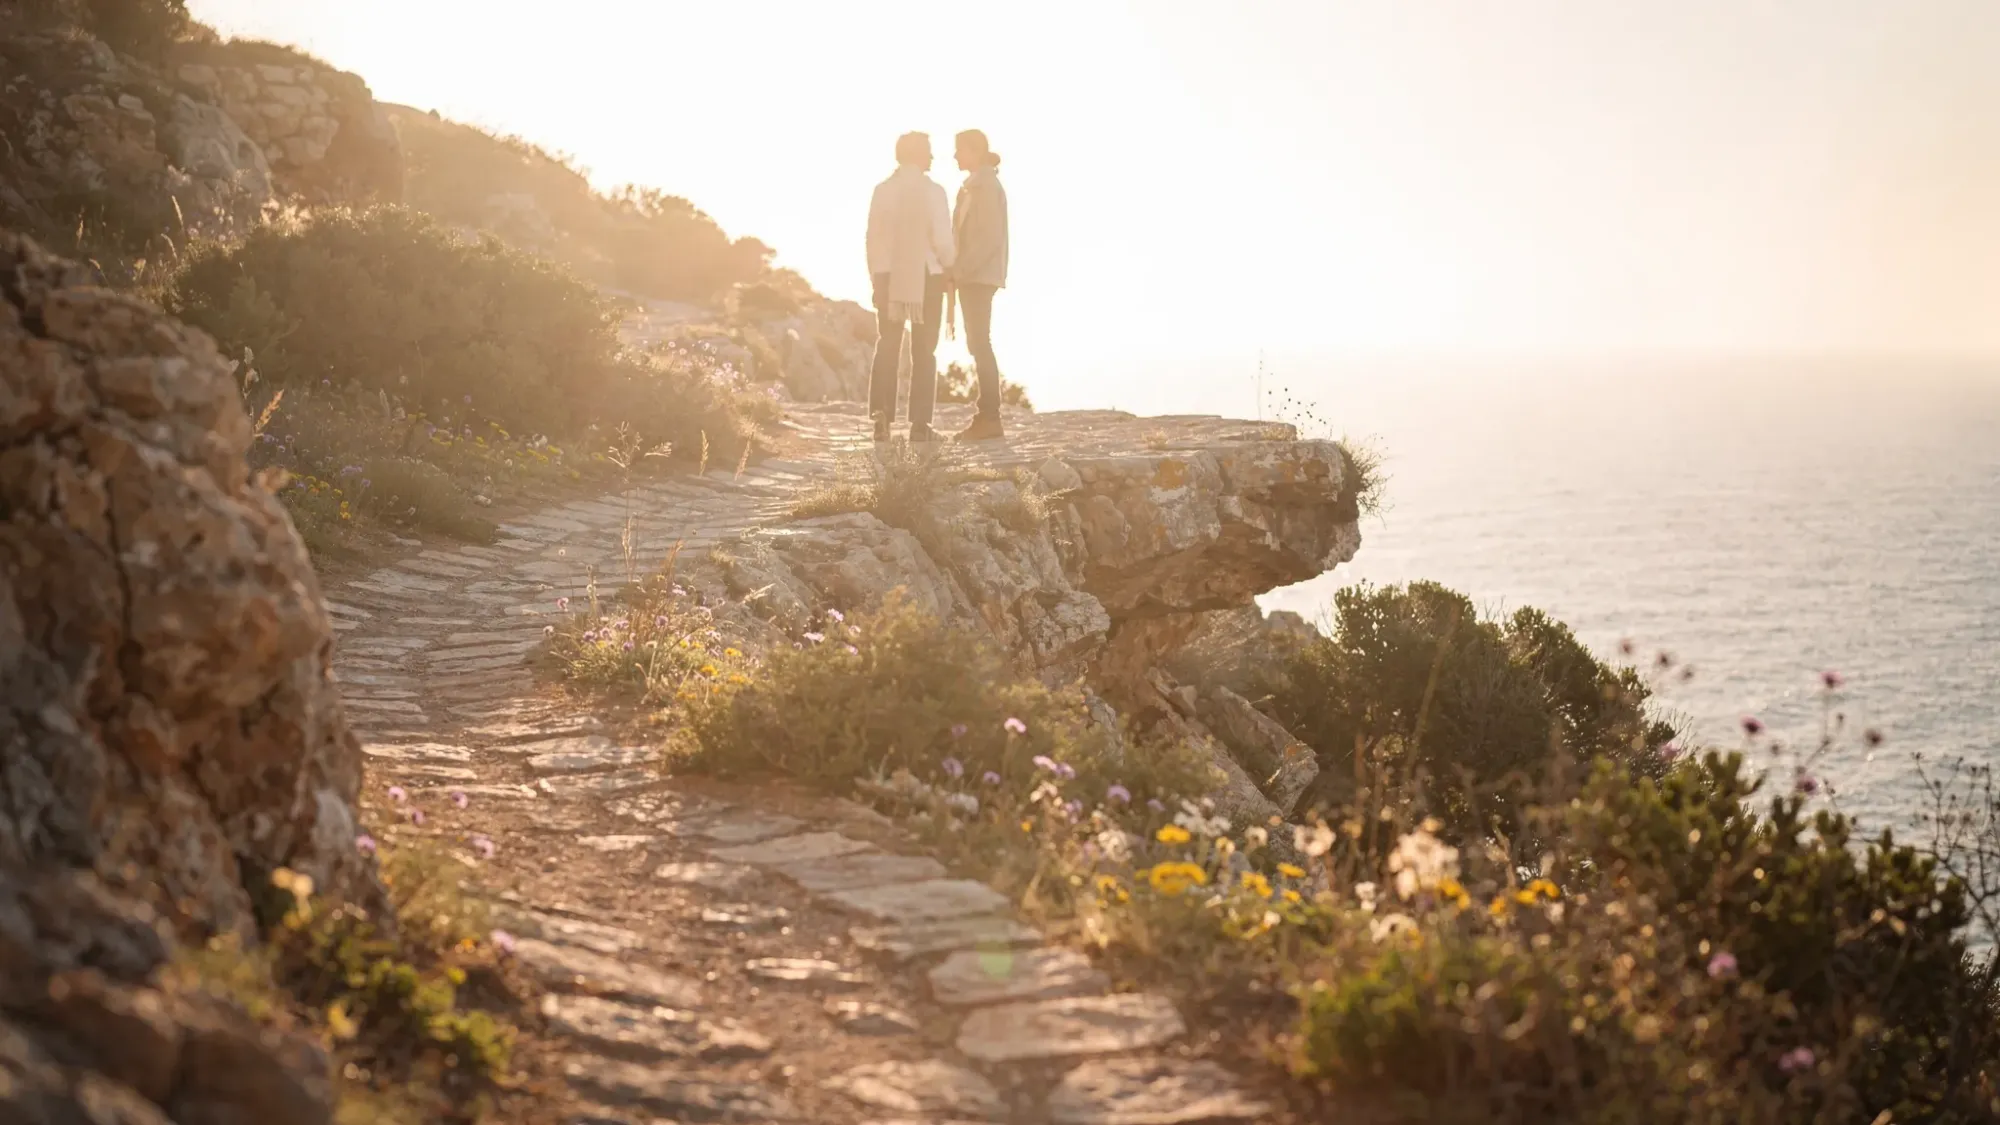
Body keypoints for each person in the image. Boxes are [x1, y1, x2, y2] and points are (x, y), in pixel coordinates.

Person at [865, 131, 955, 443]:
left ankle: (881, 420)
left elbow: (872, 238)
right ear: (918, 155)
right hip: (927, 277)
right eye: (929, 151)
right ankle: (919, 425)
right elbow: (942, 239)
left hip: (888, 276)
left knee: (887, 346)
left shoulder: (882, 190)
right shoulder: (934, 192)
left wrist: (876, 278)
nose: (932, 157)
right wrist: (952, 265)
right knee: (924, 351)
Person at [949, 128, 1009, 441]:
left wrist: (960, 271)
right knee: (977, 342)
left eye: (959, 150)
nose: (955, 156)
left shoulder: (984, 187)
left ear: (973, 150)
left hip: (977, 276)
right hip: (974, 275)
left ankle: (989, 417)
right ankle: (987, 415)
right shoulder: (977, 185)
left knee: (980, 343)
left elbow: (987, 239)